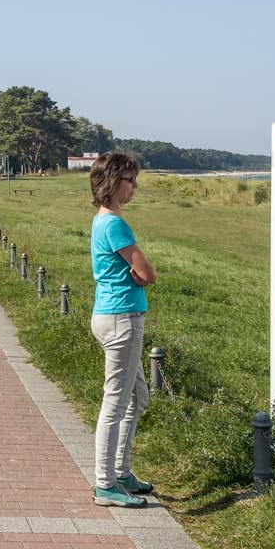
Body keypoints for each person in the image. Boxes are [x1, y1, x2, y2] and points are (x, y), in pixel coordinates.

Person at [88, 152, 158, 508]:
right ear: (114, 182)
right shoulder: (115, 224)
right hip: (122, 318)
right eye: (131, 180)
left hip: (111, 314)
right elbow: (148, 273)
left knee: (136, 397)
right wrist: (141, 274)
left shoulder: (102, 221)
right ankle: (105, 483)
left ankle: (121, 470)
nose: (134, 187)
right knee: (115, 401)